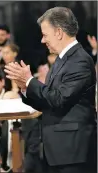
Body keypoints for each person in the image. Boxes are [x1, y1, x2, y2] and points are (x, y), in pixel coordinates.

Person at [5, 7, 97, 173]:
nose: (42, 40)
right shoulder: (62, 60)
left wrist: (30, 80)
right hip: (57, 151)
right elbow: (46, 101)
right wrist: (25, 87)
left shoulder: (79, 61)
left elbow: (58, 99)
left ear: (59, 33)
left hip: (72, 151)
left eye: (45, 35)